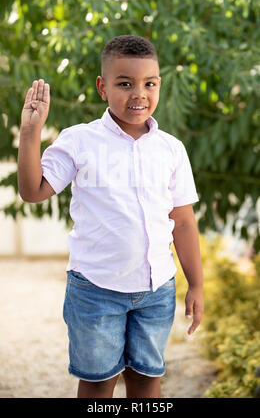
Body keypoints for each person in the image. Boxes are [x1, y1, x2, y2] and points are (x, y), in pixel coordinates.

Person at [18, 35, 204, 398]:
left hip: (156, 290)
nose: (139, 94)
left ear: (159, 85)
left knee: (146, 379)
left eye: (149, 84)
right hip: (96, 291)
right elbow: (32, 190)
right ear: (103, 88)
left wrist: (195, 284)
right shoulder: (79, 141)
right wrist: (30, 134)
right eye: (125, 83)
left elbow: (182, 222)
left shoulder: (171, 150)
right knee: (99, 382)